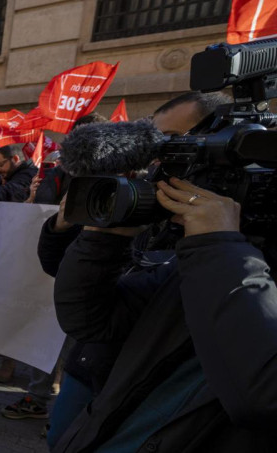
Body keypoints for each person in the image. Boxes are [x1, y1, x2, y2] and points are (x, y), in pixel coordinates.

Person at [52, 174, 277, 451]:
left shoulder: (221, 254)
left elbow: (263, 397)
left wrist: (219, 247)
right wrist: (103, 242)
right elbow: (91, 321)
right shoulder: (219, 256)